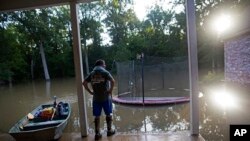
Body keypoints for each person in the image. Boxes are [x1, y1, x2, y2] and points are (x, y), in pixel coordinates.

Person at [83, 59, 115, 140]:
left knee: (97, 116)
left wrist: (90, 92)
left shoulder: (92, 73)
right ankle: (109, 131)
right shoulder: (105, 72)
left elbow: (84, 83)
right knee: (108, 114)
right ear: (102, 65)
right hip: (105, 98)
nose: (105, 66)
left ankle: (97, 134)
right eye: (104, 65)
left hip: (96, 98)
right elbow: (113, 81)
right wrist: (110, 90)